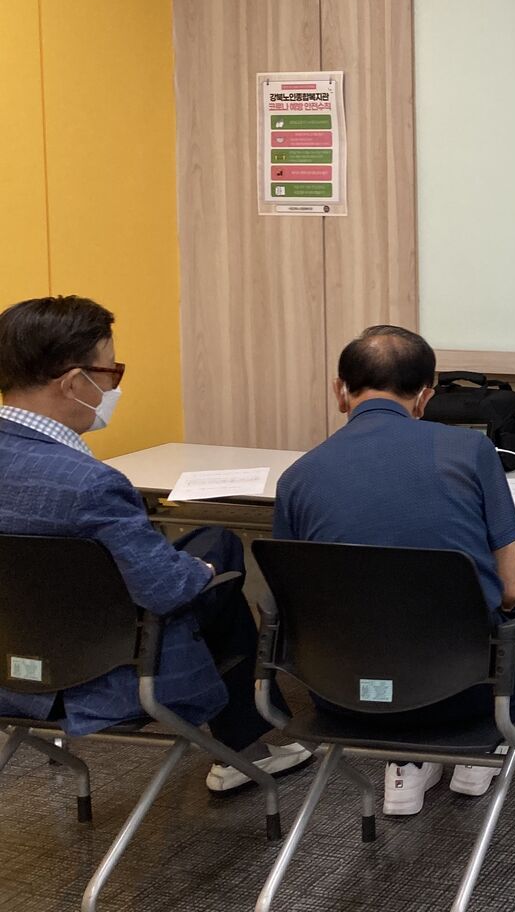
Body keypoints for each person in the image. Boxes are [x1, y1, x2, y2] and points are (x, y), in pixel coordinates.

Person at [0, 296, 310, 792]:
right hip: (100, 674)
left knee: (207, 543)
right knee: (220, 556)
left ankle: (247, 742)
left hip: (11, 668)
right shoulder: (91, 484)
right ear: (74, 382)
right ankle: (245, 740)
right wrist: (201, 572)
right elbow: (165, 591)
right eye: (112, 372)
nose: (113, 387)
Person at [274, 325, 515, 817]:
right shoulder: (470, 452)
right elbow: (511, 589)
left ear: (339, 391)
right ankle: (481, 747)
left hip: (341, 696)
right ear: (425, 397)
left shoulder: (296, 477)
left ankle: (406, 763)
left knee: (378, 623)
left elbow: (291, 600)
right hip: (461, 693)